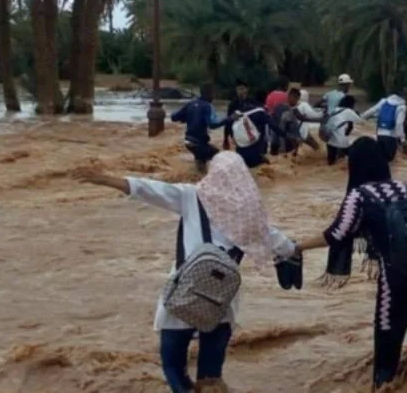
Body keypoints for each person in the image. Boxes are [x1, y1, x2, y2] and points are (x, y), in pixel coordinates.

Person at [72, 152, 296, 393]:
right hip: (221, 301)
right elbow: (286, 246)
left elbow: (148, 189)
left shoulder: (192, 196)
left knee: (173, 365)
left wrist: (104, 179)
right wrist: (331, 241)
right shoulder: (251, 213)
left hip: (183, 294)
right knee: (211, 379)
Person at [293, 137, 407, 390]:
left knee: (385, 366)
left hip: (397, 283)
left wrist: (296, 247)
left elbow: (336, 234)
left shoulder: (359, 196)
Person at [171, 83, 238, 173]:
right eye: (213, 94)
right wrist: (230, 118)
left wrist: (186, 117)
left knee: (201, 159)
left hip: (188, 142)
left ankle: (198, 176)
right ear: (209, 94)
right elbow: (213, 124)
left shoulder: (191, 104)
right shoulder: (207, 106)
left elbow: (174, 117)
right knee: (218, 156)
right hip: (199, 143)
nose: (214, 96)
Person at [231, 103, 290, 168]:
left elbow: (226, 123)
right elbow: (274, 127)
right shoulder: (262, 113)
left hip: (239, 156)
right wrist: (287, 136)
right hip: (254, 157)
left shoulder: (240, 111)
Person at [362, 92, 407, 162]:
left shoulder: (384, 101)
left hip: (380, 135)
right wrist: (403, 141)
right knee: (389, 162)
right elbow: (399, 124)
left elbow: (371, 111)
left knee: (380, 159)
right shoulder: (402, 106)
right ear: (404, 97)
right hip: (391, 137)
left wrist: (360, 117)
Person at [323, 95, 362, 165]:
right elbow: (361, 121)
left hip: (330, 139)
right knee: (355, 158)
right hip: (341, 141)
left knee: (330, 163)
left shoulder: (335, 109)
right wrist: (357, 113)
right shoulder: (348, 111)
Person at [223, 80, 257, 150]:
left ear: (247, 89)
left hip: (250, 131)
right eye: (238, 89)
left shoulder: (253, 102)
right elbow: (228, 121)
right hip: (238, 133)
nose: (240, 91)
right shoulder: (233, 104)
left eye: (242, 88)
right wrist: (226, 139)